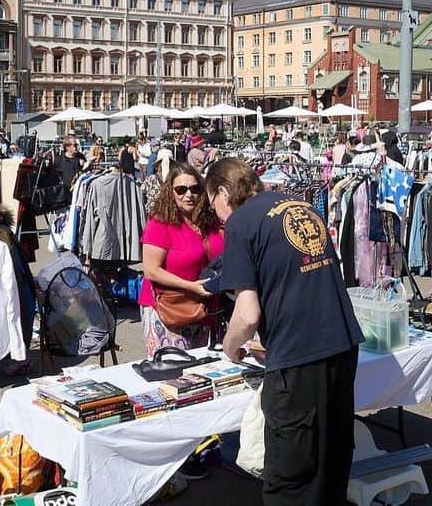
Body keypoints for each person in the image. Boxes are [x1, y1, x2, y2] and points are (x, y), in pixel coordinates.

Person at [207, 158, 362, 505]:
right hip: (341, 345)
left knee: (291, 475)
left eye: (213, 203)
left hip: (298, 358)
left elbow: (246, 315)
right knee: (330, 462)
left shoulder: (240, 224)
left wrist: (231, 348)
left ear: (222, 191)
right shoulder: (300, 206)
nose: (215, 214)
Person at [139, 163, 223, 357]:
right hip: (169, 309)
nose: (189, 195)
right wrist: (190, 286)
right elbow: (151, 270)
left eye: (195, 189)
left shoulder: (210, 221)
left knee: (199, 370)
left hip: (205, 309)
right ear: (171, 192)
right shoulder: (160, 223)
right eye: (181, 189)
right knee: (173, 372)